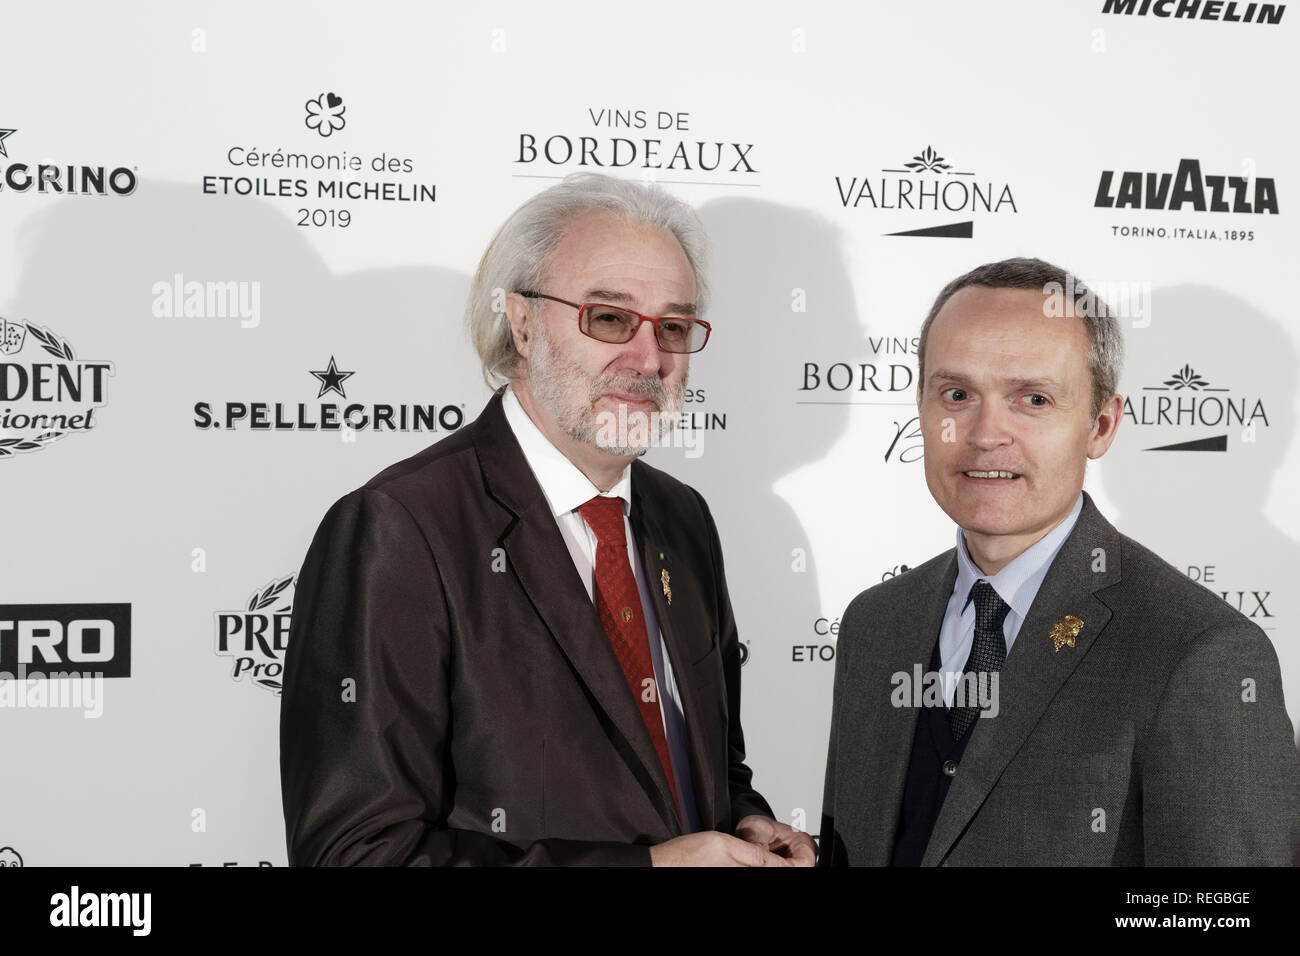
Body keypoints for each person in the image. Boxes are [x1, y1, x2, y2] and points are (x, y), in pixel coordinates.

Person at [280, 172, 814, 867]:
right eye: (610, 318)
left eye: (674, 327)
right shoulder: (399, 528)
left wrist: (743, 820)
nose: (649, 359)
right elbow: (356, 854)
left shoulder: (683, 518)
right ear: (523, 322)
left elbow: (692, 765)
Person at [819, 257, 1300, 866]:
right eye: (958, 394)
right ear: (921, 406)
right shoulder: (875, 624)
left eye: (1034, 399)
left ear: (1101, 425)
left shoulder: (1200, 654)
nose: (986, 434)